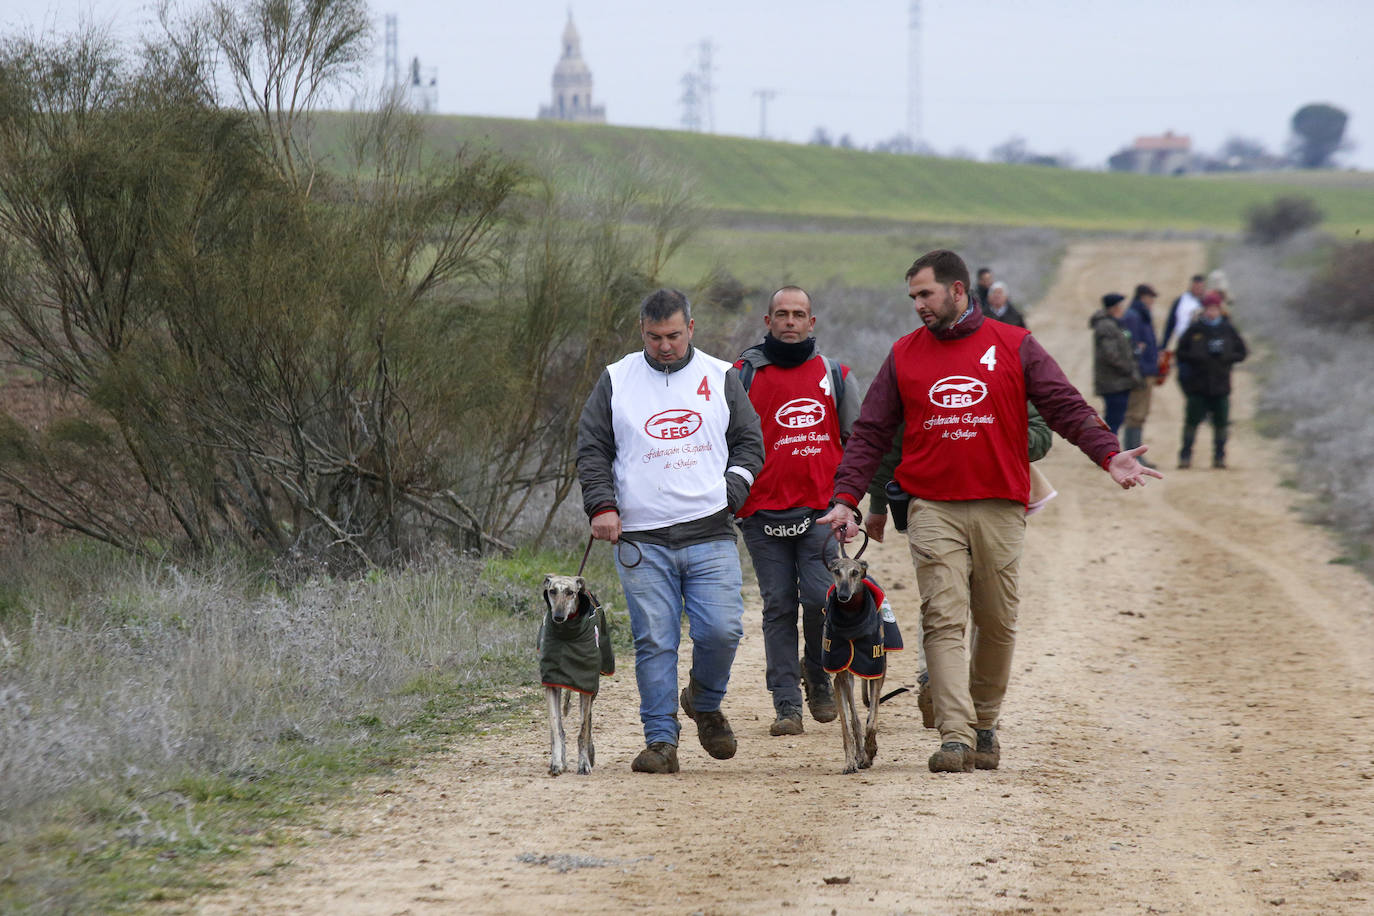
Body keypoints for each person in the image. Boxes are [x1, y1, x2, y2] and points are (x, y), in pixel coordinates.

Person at [817, 249, 1161, 775]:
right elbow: (870, 433)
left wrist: (1108, 454)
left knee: (998, 621)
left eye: (926, 295)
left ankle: (984, 725)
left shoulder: (1014, 345)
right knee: (943, 618)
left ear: (958, 291)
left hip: (1001, 505)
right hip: (932, 507)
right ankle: (954, 737)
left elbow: (1065, 404)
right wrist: (847, 498)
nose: (918, 307)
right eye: (912, 297)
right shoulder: (904, 354)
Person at [576, 288, 765, 774]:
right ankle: (661, 741)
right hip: (641, 540)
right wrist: (602, 505)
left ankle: (704, 699)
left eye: (674, 336)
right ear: (641, 331)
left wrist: (732, 492)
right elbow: (593, 446)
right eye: (655, 336)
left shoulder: (721, 375)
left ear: (691, 329)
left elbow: (749, 441)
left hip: (710, 531)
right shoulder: (617, 379)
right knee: (655, 640)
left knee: (722, 630)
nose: (665, 346)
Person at [733, 286, 859, 736]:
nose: (790, 321)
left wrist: (850, 505)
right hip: (762, 514)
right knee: (779, 606)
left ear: (812, 323)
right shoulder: (741, 376)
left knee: (820, 600)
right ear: (767, 322)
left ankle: (817, 675)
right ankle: (786, 704)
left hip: (820, 513)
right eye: (781, 314)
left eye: (799, 314)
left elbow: (857, 444)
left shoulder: (835, 374)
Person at [1175, 291, 1248, 469]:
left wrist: (1227, 358)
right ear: (1204, 310)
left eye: (1214, 309)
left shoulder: (1227, 329)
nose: (1211, 312)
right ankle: (1185, 456)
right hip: (1198, 385)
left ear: (1220, 309)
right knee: (1191, 423)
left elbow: (1243, 352)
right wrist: (1196, 357)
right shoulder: (1195, 329)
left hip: (1221, 385)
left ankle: (1219, 457)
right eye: (1208, 309)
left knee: (1221, 424)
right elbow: (1180, 352)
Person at [1091, 293, 1141, 437]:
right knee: (1113, 422)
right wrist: (1128, 368)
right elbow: (1111, 354)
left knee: (1115, 421)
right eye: (1120, 306)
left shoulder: (1114, 324)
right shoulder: (1106, 326)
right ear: (1113, 308)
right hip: (1113, 382)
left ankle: (1110, 451)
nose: (1123, 309)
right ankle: (1108, 452)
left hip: (1118, 381)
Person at [1120, 283, 1161, 459]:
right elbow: (1131, 347)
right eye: (1150, 297)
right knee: (1135, 414)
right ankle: (1133, 454)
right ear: (1142, 297)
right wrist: (1138, 370)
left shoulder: (1141, 315)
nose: (1152, 301)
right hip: (1140, 373)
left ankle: (1135, 453)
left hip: (1147, 371)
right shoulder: (1133, 317)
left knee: (1141, 414)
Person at [1161, 274, 1207, 354]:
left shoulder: (1207, 302)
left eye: (1200, 287)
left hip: (1202, 343)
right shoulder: (1181, 301)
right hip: (1183, 341)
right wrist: (1164, 345)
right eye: (1196, 286)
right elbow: (1171, 323)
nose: (1198, 289)